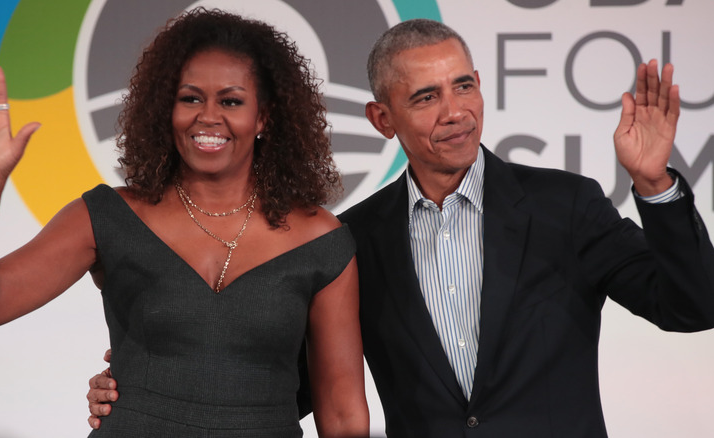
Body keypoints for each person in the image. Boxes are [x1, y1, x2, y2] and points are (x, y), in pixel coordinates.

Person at [87, 18, 714, 438]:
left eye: (463, 86)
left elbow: (692, 307)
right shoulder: (351, 240)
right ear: (382, 118)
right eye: (425, 97)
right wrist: (148, 381)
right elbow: (287, 383)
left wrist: (655, 186)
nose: (456, 112)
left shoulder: (566, 206)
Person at [0, 8, 368, 438]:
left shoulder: (321, 241)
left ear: (264, 117)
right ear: (166, 108)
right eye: (190, 98)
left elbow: (344, 415)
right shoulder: (107, 216)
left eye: (231, 101)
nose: (208, 116)